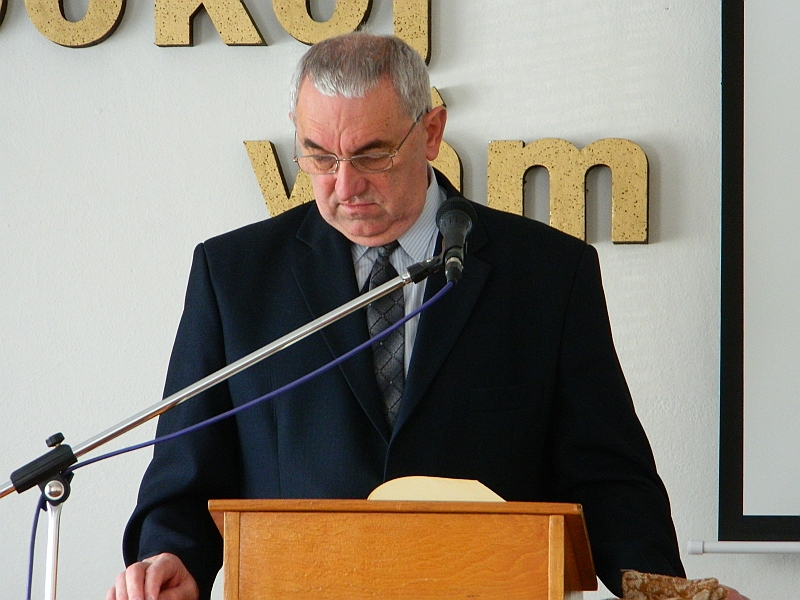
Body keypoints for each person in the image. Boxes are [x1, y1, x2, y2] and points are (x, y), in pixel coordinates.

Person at [109, 31, 698, 600]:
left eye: (372, 154)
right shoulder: (235, 275)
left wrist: (666, 594)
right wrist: (172, 558)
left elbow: (608, 474)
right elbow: (186, 470)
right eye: (320, 156)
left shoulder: (546, 274)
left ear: (431, 132)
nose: (345, 184)